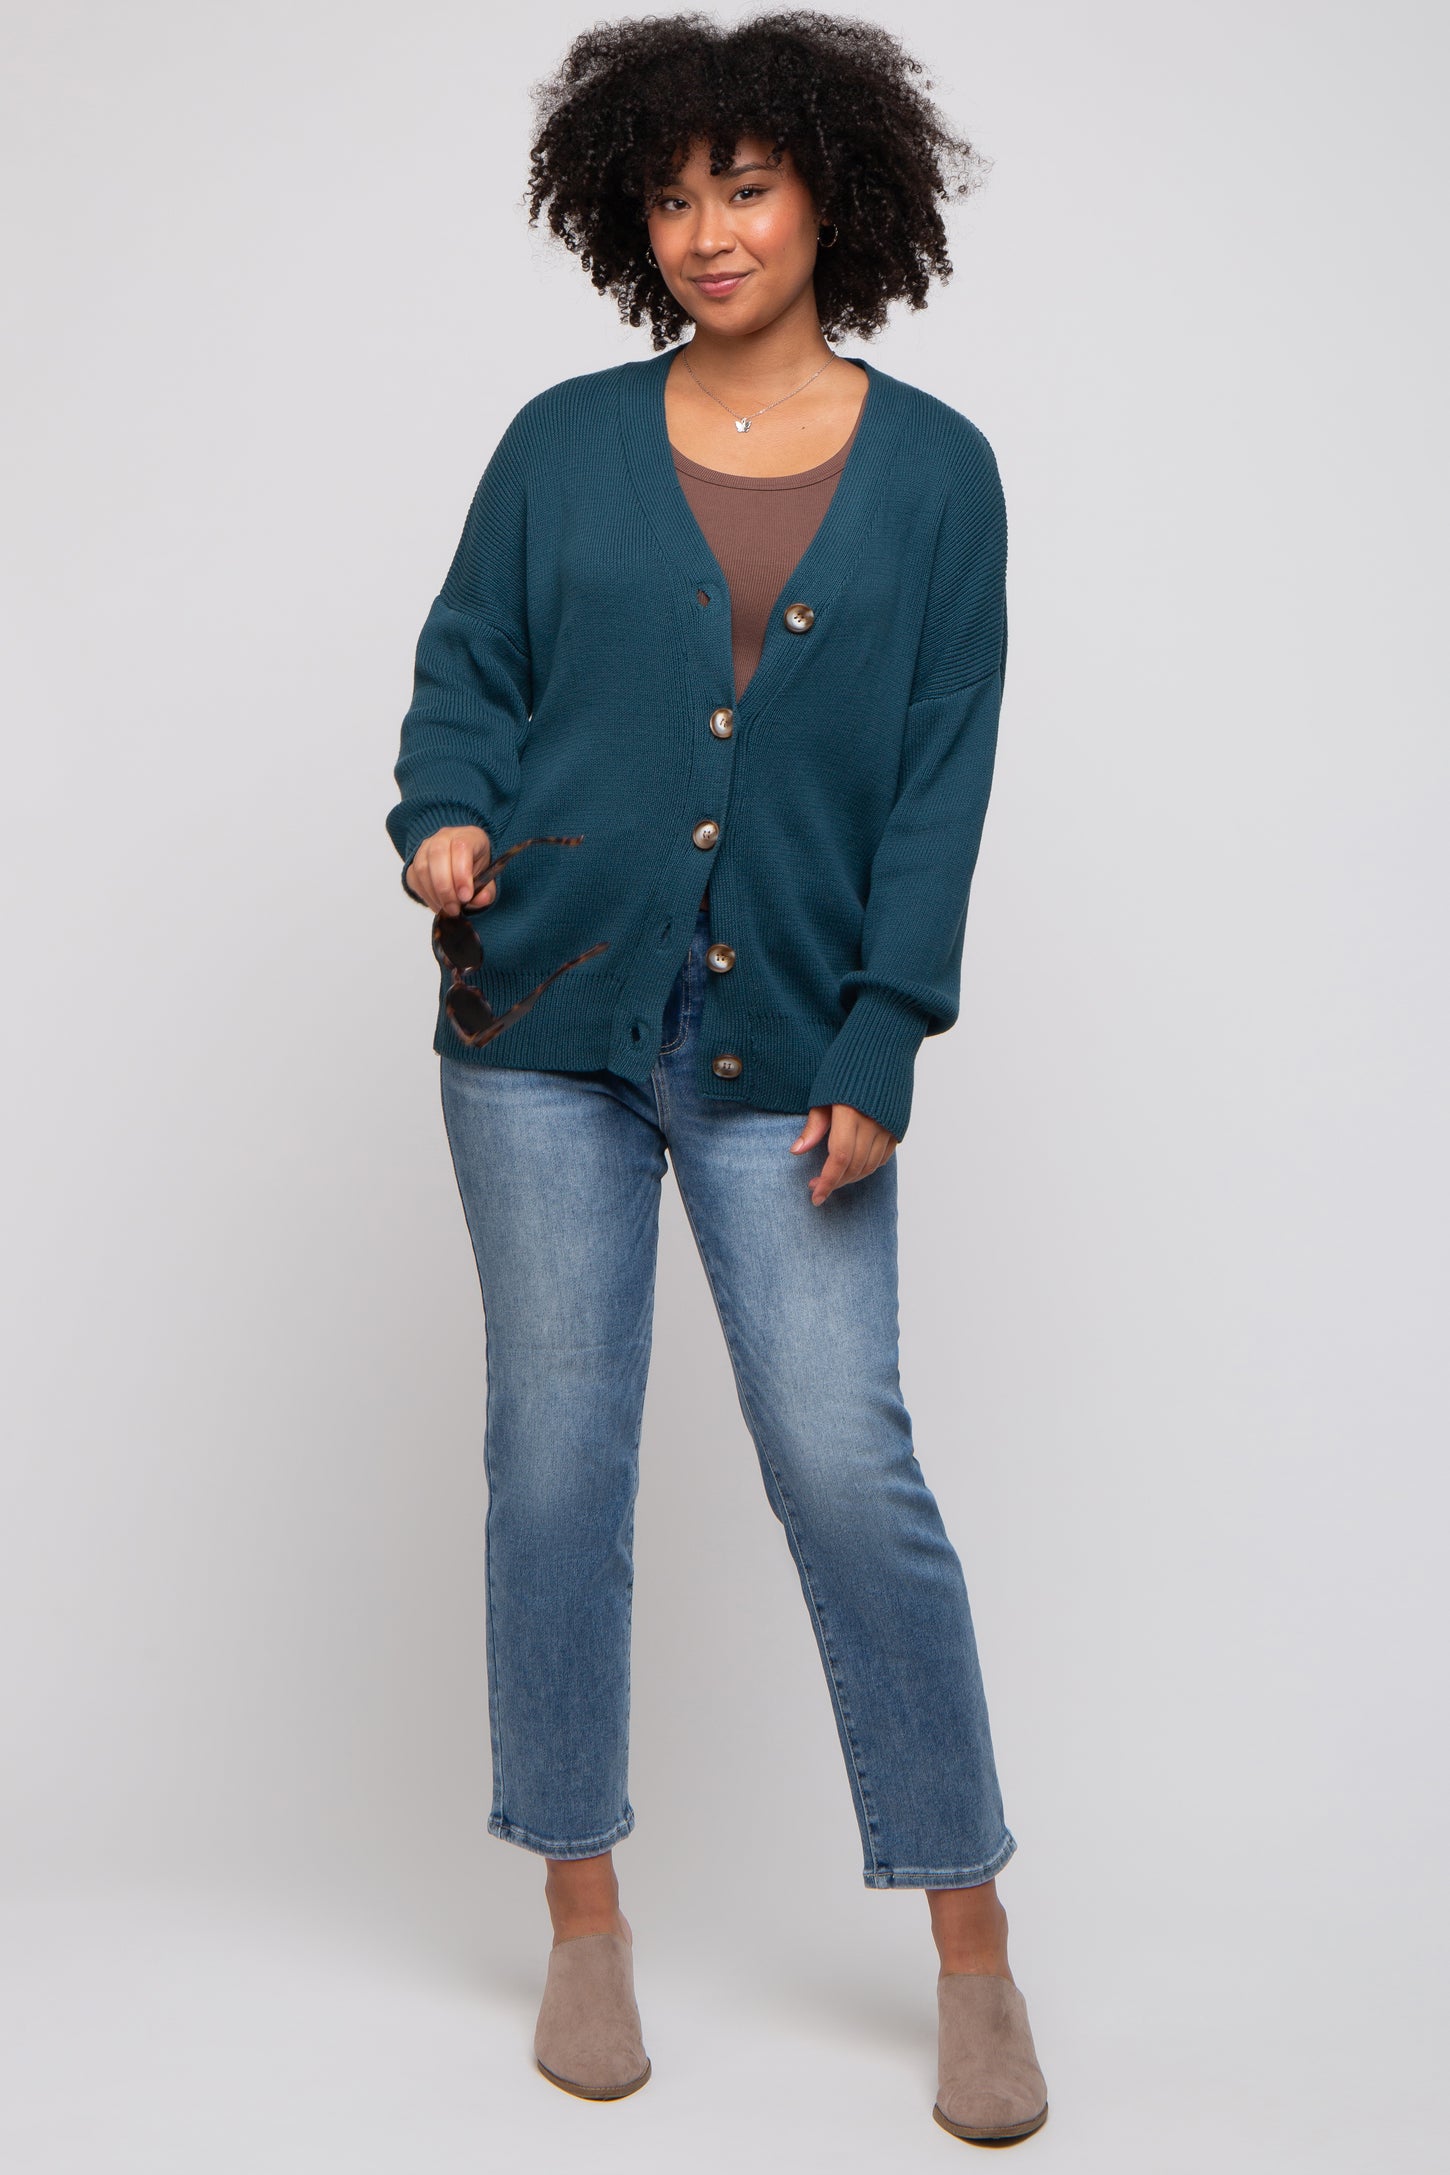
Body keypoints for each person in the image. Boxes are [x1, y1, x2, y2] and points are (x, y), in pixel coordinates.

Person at [385, 10, 1048, 2146]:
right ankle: (581, 1910)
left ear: (831, 195)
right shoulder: (560, 443)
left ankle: (969, 1942)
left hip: (791, 1044)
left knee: (844, 1466)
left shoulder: (934, 472)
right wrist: (443, 814)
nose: (706, 231)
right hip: (541, 1025)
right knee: (556, 1464)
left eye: (743, 187)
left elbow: (939, 779)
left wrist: (885, 1033)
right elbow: (468, 667)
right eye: (670, 197)